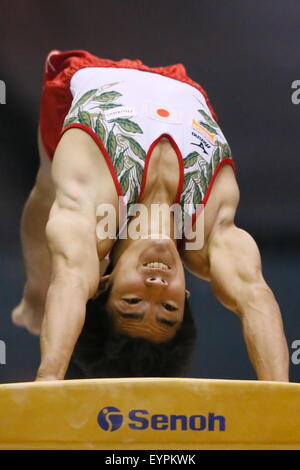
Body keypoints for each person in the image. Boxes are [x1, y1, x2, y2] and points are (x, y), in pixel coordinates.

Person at [12, 49, 289, 382]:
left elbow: (70, 279)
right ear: (186, 296)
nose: (156, 288)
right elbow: (255, 297)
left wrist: (49, 380)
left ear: (100, 284)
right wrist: (280, 400)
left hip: (84, 77)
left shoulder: (91, 224)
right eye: (169, 310)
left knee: (47, 190)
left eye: (132, 301)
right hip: (183, 85)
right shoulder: (210, 236)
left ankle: (34, 295)